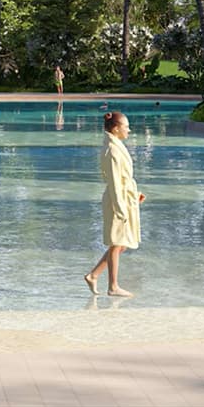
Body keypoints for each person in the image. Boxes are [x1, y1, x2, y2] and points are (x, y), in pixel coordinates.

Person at [84, 111, 145, 297]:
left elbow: (123, 178)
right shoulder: (112, 150)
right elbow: (115, 181)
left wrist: (134, 194)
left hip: (124, 197)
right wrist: (120, 207)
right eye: (126, 127)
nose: (129, 130)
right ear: (116, 128)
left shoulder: (116, 145)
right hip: (116, 198)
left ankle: (94, 275)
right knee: (117, 242)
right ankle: (113, 286)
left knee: (122, 243)